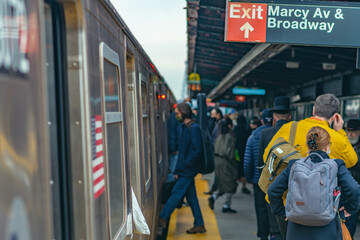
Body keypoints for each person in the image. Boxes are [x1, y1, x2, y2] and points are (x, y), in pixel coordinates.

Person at [268, 126, 360, 240]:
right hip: (327, 226)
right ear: (328, 146)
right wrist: (349, 208)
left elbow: (272, 191)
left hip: (296, 227)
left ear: (307, 145)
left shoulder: (294, 165)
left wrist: (283, 213)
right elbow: (354, 189)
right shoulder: (336, 165)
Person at [159, 103, 206, 234]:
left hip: (189, 169)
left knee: (176, 193)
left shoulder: (194, 128)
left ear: (184, 113)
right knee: (192, 199)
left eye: (178, 113)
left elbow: (197, 151)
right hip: (185, 168)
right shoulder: (183, 127)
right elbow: (182, 151)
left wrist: (184, 166)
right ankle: (200, 224)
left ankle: (162, 217)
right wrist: (178, 169)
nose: (176, 115)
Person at [258, 96, 293, 240]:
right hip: (292, 188)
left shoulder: (265, 133)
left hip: (272, 186)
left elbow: (261, 162)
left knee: (275, 227)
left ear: (274, 116)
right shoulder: (295, 133)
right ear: (290, 116)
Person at [244, 109, 274, 240]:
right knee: (273, 208)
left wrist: (249, 178)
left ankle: (263, 235)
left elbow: (247, 161)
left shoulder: (253, 136)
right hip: (275, 180)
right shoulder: (279, 134)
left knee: (261, 208)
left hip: (258, 180)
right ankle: (274, 233)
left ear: (261, 120)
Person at [208, 118, 238, 213]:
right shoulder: (231, 137)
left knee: (222, 183)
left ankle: (214, 197)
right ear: (229, 126)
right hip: (226, 162)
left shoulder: (219, 136)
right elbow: (230, 153)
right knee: (230, 183)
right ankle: (226, 205)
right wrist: (235, 164)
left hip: (217, 161)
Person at [345, 119, 360, 238]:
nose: (350, 134)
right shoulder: (344, 145)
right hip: (345, 191)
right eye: (348, 131)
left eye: (354, 131)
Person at [235, 115, 252, 194]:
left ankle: (234, 184)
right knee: (242, 169)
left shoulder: (235, 129)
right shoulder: (246, 130)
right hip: (244, 152)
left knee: (236, 167)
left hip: (236, 152)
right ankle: (243, 186)